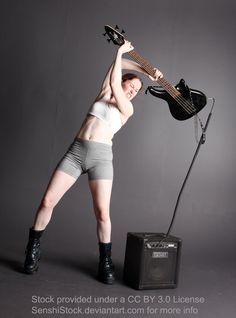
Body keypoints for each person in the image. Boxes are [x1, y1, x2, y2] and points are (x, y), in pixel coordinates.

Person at [23, 40, 163, 284]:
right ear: (123, 81)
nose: (132, 92)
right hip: (76, 152)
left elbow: (115, 77)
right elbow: (115, 69)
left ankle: (105, 262)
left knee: (102, 214)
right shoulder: (105, 93)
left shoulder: (127, 109)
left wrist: (122, 53)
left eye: (136, 92)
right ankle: (32, 249)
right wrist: (146, 70)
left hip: (101, 158)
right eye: (131, 86)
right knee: (47, 201)